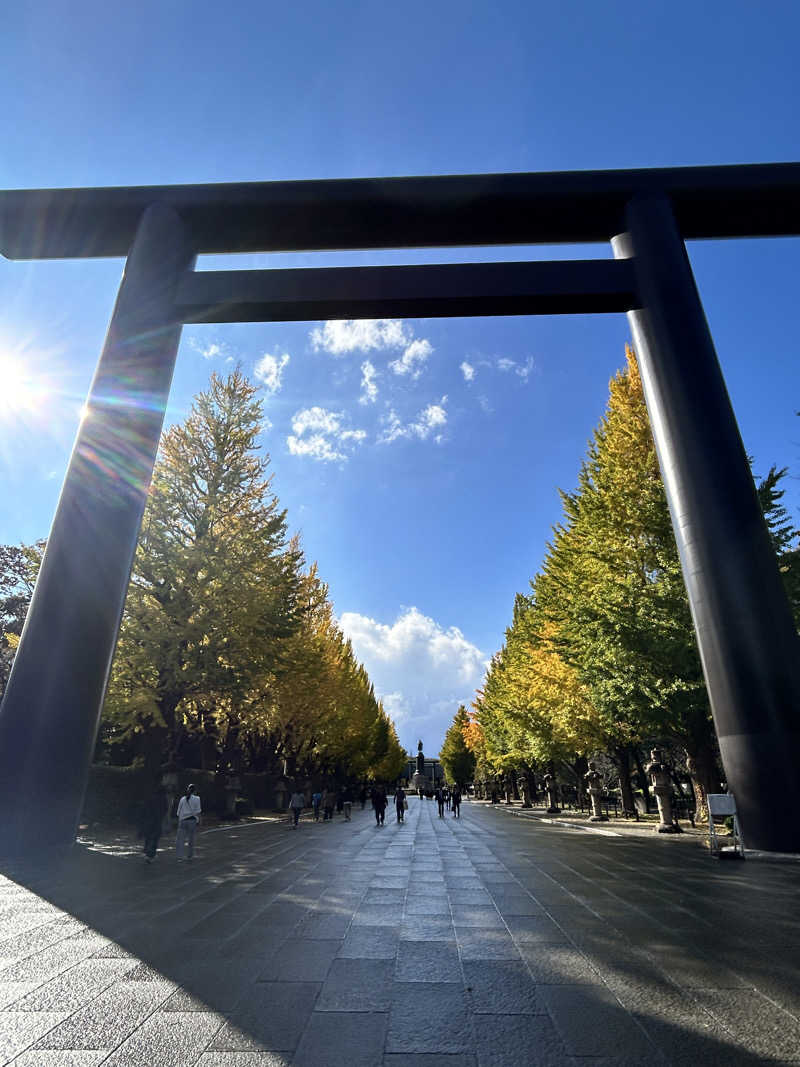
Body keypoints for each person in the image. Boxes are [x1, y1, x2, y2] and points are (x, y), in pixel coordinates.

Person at [139, 776, 167, 863]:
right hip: (158, 820)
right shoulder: (163, 799)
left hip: (149, 819)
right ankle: (151, 854)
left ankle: (146, 850)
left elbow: (145, 808)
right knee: (155, 838)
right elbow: (165, 809)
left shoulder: (151, 798)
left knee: (148, 836)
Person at [176, 783, 201, 860]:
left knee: (180, 839)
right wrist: (199, 820)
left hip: (183, 821)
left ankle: (179, 855)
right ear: (195, 791)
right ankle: (190, 855)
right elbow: (198, 811)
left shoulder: (182, 799)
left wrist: (180, 819)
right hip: (192, 821)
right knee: (191, 839)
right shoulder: (197, 798)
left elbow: (178, 812)